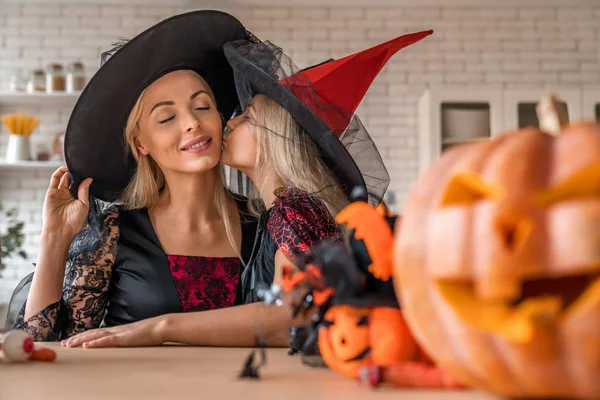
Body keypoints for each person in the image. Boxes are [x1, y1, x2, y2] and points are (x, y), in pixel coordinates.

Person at [60, 30, 433, 349]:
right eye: (168, 116)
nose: (229, 121)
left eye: (246, 117)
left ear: (276, 138)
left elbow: (295, 312)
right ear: (141, 142)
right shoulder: (280, 213)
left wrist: (161, 327)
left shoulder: (293, 209)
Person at [9, 10, 289, 347]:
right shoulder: (113, 231)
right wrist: (54, 237)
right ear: (141, 143)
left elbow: (293, 326)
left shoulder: (266, 226)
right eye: (167, 117)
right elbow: (40, 344)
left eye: (202, 106)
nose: (191, 123)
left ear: (219, 118)